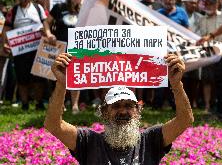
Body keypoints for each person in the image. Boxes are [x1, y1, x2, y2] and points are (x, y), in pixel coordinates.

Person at [44, 53, 194, 164]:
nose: (123, 111)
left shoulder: (150, 139)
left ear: (138, 110)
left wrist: (176, 84)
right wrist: (61, 84)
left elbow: (185, 120)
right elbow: (53, 125)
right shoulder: (89, 141)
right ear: (104, 112)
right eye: (116, 106)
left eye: (129, 106)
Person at [2, 0, 47, 110]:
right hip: (20, 51)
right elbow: (6, 28)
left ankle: (39, 103)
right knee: (22, 78)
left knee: (39, 78)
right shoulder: (13, 11)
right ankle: (25, 104)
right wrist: (4, 44)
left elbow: (46, 23)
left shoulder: (38, 8)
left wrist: (47, 33)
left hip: (37, 49)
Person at [43, 0, 84, 114]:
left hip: (77, 48)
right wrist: (49, 34)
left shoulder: (83, 10)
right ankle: (60, 104)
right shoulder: (59, 8)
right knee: (58, 76)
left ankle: (75, 106)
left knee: (75, 76)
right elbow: (46, 23)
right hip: (60, 47)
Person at [199, 0, 222, 113]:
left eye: (211, 3)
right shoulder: (202, 19)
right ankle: (207, 106)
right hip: (208, 52)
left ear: (217, 4)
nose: (209, 5)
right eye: (207, 3)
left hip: (221, 52)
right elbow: (202, 35)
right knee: (207, 80)